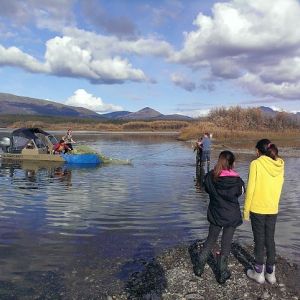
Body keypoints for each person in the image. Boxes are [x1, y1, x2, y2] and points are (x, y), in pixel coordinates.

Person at [194, 150, 245, 284]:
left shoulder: (210, 176)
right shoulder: (237, 180)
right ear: (232, 164)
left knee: (211, 239)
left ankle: (199, 267)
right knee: (226, 242)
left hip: (216, 213)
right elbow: (240, 193)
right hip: (231, 216)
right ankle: (222, 272)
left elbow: (205, 188)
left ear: (219, 161)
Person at [244, 139, 284, 284]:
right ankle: (271, 274)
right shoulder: (280, 164)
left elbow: (250, 189)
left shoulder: (256, 163)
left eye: (256, 150)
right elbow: (279, 187)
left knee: (259, 240)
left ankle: (258, 273)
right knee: (270, 240)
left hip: (257, 208)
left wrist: (245, 211)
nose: (255, 152)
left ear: (260, 151)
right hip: (272, 208)